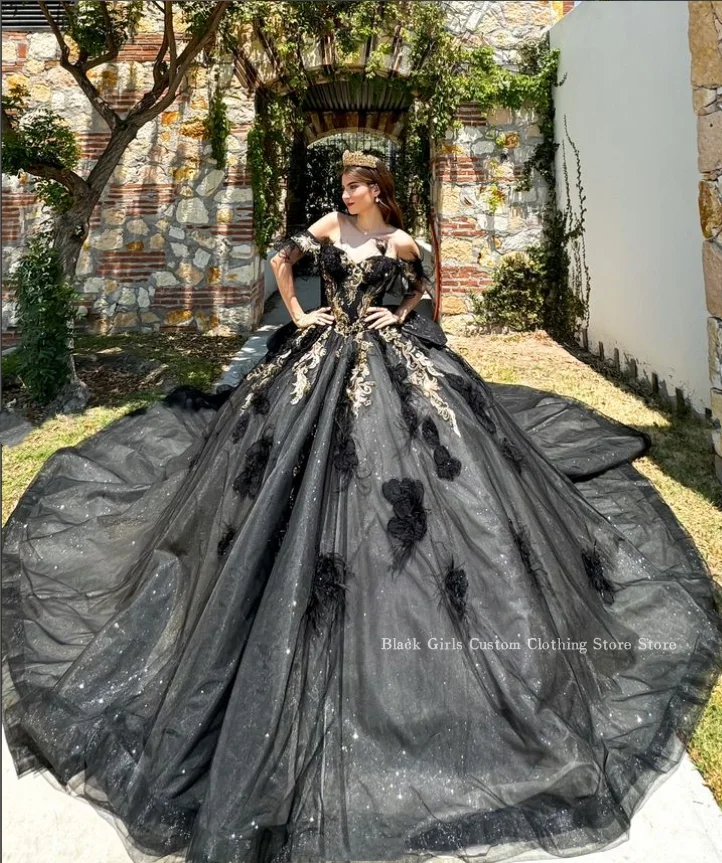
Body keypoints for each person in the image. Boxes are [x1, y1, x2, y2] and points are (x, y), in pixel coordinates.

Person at [2, 149, 722, 863]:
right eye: (342, 185)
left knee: (423, 480)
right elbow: (281, 262)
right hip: (319, 357)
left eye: (356, 185)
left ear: (379, 190)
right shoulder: (326, 228)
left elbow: (422, 286)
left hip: (384, 354)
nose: (346, 194)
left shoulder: (400, 241)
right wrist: (296, 315)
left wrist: (401, 313)